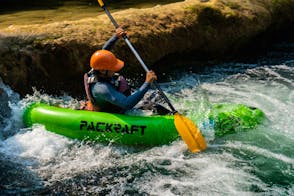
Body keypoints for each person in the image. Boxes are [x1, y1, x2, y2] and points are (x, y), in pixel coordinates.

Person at [82, 27, 158, 114]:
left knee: (155, 98)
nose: (115, 70)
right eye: (112, 68)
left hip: (117, 100)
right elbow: (127, 104)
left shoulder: (96, 67)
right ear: (103, 71)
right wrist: (147, 83)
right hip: (114, 110)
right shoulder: (102, 89)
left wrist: (116, 37)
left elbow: (104, 52)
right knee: (155, 108)